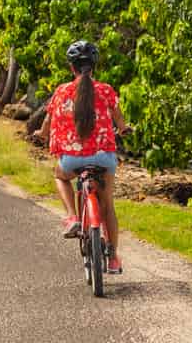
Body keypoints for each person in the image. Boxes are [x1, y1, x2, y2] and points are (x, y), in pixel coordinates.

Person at [46, 39, 126, 274]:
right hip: (104, 159)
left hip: (72, 160)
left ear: (72, 67)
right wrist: (122, 128)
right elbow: (120, 121)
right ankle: (112, 257)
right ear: (94, 66)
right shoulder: (106, 90)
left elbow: (47, 121)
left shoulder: (62, 91)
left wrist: (41, 133)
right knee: (108, 205)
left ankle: (72, 217)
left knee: (60, 177)